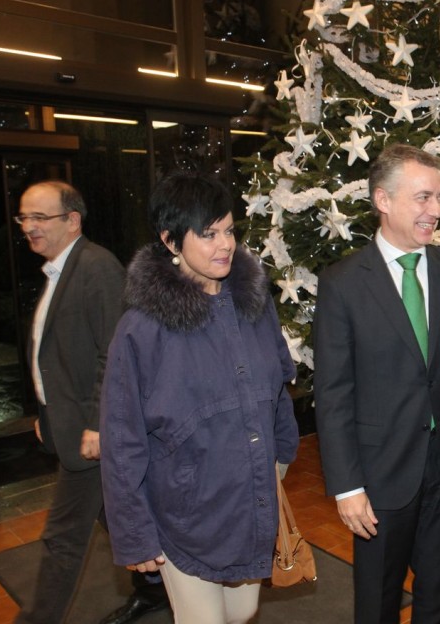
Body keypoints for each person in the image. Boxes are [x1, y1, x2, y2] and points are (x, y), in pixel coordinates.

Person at [313, 143, 440, 623]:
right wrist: (347, 485)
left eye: (439, 199)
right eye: (423, 198)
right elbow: (333, 394)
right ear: (383, 200)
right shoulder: (342, 284)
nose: (435, 211)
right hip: (380, 473)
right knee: (378, 599)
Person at [100, 170, 299, 624]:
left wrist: (281, 457)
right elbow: (121, 437)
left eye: (228, 231)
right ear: (171, 241)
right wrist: (135, 534)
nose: (225, 245)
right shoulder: (141, 330)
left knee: (243, 610)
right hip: (183, 514)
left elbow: (278, 383)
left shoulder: (254, 302)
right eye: (208, 234)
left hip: (249, 497)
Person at [12, 181, 170, 624]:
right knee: (122, 518)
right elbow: (55, 354)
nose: (29, 227)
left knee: (63, 537)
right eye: (24, 218)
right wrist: (45, 411)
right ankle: (162, 587)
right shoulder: (59, 270)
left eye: (40, 218)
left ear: (72, 220)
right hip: (71, 424)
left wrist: (99, 423)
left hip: (94, 434)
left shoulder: (96, 267)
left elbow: (115, 352)